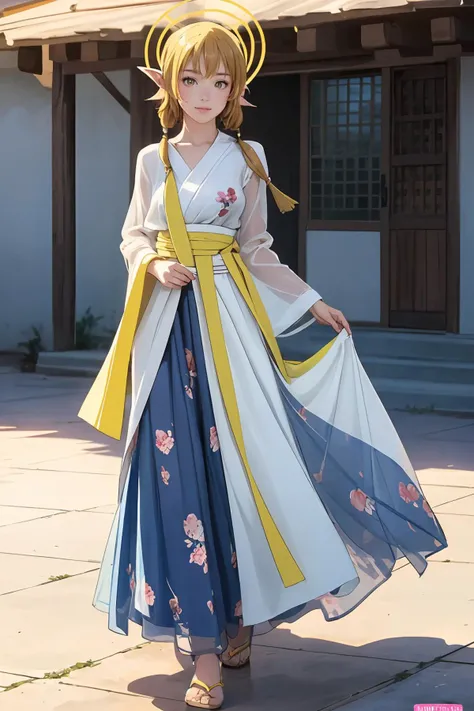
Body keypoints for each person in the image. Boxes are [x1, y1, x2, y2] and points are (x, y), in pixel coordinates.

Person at [79, 14, 447, 710]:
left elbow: (257, 251)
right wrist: (154, 261)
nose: (205, 91)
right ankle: (206, 656)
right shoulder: (151, 161)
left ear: (235, 87)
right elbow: (131, 235)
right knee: (175, 480)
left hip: (233, 334)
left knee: (244, 475)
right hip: (167, 334)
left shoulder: (249, 158)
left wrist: (312, 302)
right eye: (191, 78)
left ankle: (240, 617)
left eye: (219, 79)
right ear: (169, 84)